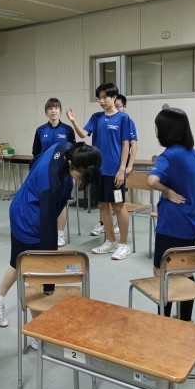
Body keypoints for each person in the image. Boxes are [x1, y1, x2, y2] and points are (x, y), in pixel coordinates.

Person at [0, 142, 101, 330]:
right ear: (70, 163)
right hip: (28, 217)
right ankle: (37, 331)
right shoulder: (50, 185)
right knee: (38, 271)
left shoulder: (65, 147)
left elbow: (35, 161)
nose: (82, 179)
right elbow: (48, 231)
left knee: (19, 261)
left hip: (27, 203)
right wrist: (49, 282)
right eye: (81, 175)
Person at [148, 107, 195, 321]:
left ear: (165, 130)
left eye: (156, 126)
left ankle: (164, 320)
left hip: (172, 226)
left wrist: (167, 190)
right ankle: (185, 320)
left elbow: (151, 181)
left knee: (161, 272)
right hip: (192, 224)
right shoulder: (191, 152)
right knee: (185, 270)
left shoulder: (168, 155)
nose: (155, 129)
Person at [66, 83, 132, 260]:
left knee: (118, 206)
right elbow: (83, 134)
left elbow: (126, 145)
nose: (101, 101)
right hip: (98, 172)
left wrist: (122, 169)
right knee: (102, 205)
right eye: (99, 98)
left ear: (114, 97)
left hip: (115, 174)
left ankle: (124, 244)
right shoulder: (96, 117)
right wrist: (73, 120)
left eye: (105, 97)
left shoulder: (123, 119)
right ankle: (110, 241)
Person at [89, 94, 138, 237]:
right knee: (103, 203)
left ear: (124, 107)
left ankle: (120, 229)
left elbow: (132, 146)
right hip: (102, 171)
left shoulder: (127, 120)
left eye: (118, 106)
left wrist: (128, 166)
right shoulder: (100, 118)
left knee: (118, 202)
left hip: (118, 170)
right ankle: (104, 226)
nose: (115, 108)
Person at [32, 98, 76, 247]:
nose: (53, 111)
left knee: (61, 203)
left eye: (56, 108)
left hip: (62, 173)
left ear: (60, 111)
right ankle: (46, 232)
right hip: (44, 173)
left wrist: (72, 173)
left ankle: (60, 234)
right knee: (44, 202)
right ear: (46, 111)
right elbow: (36, 153)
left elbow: (73, 153)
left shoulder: (68, 130)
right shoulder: (40, 130)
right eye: (50, 108)